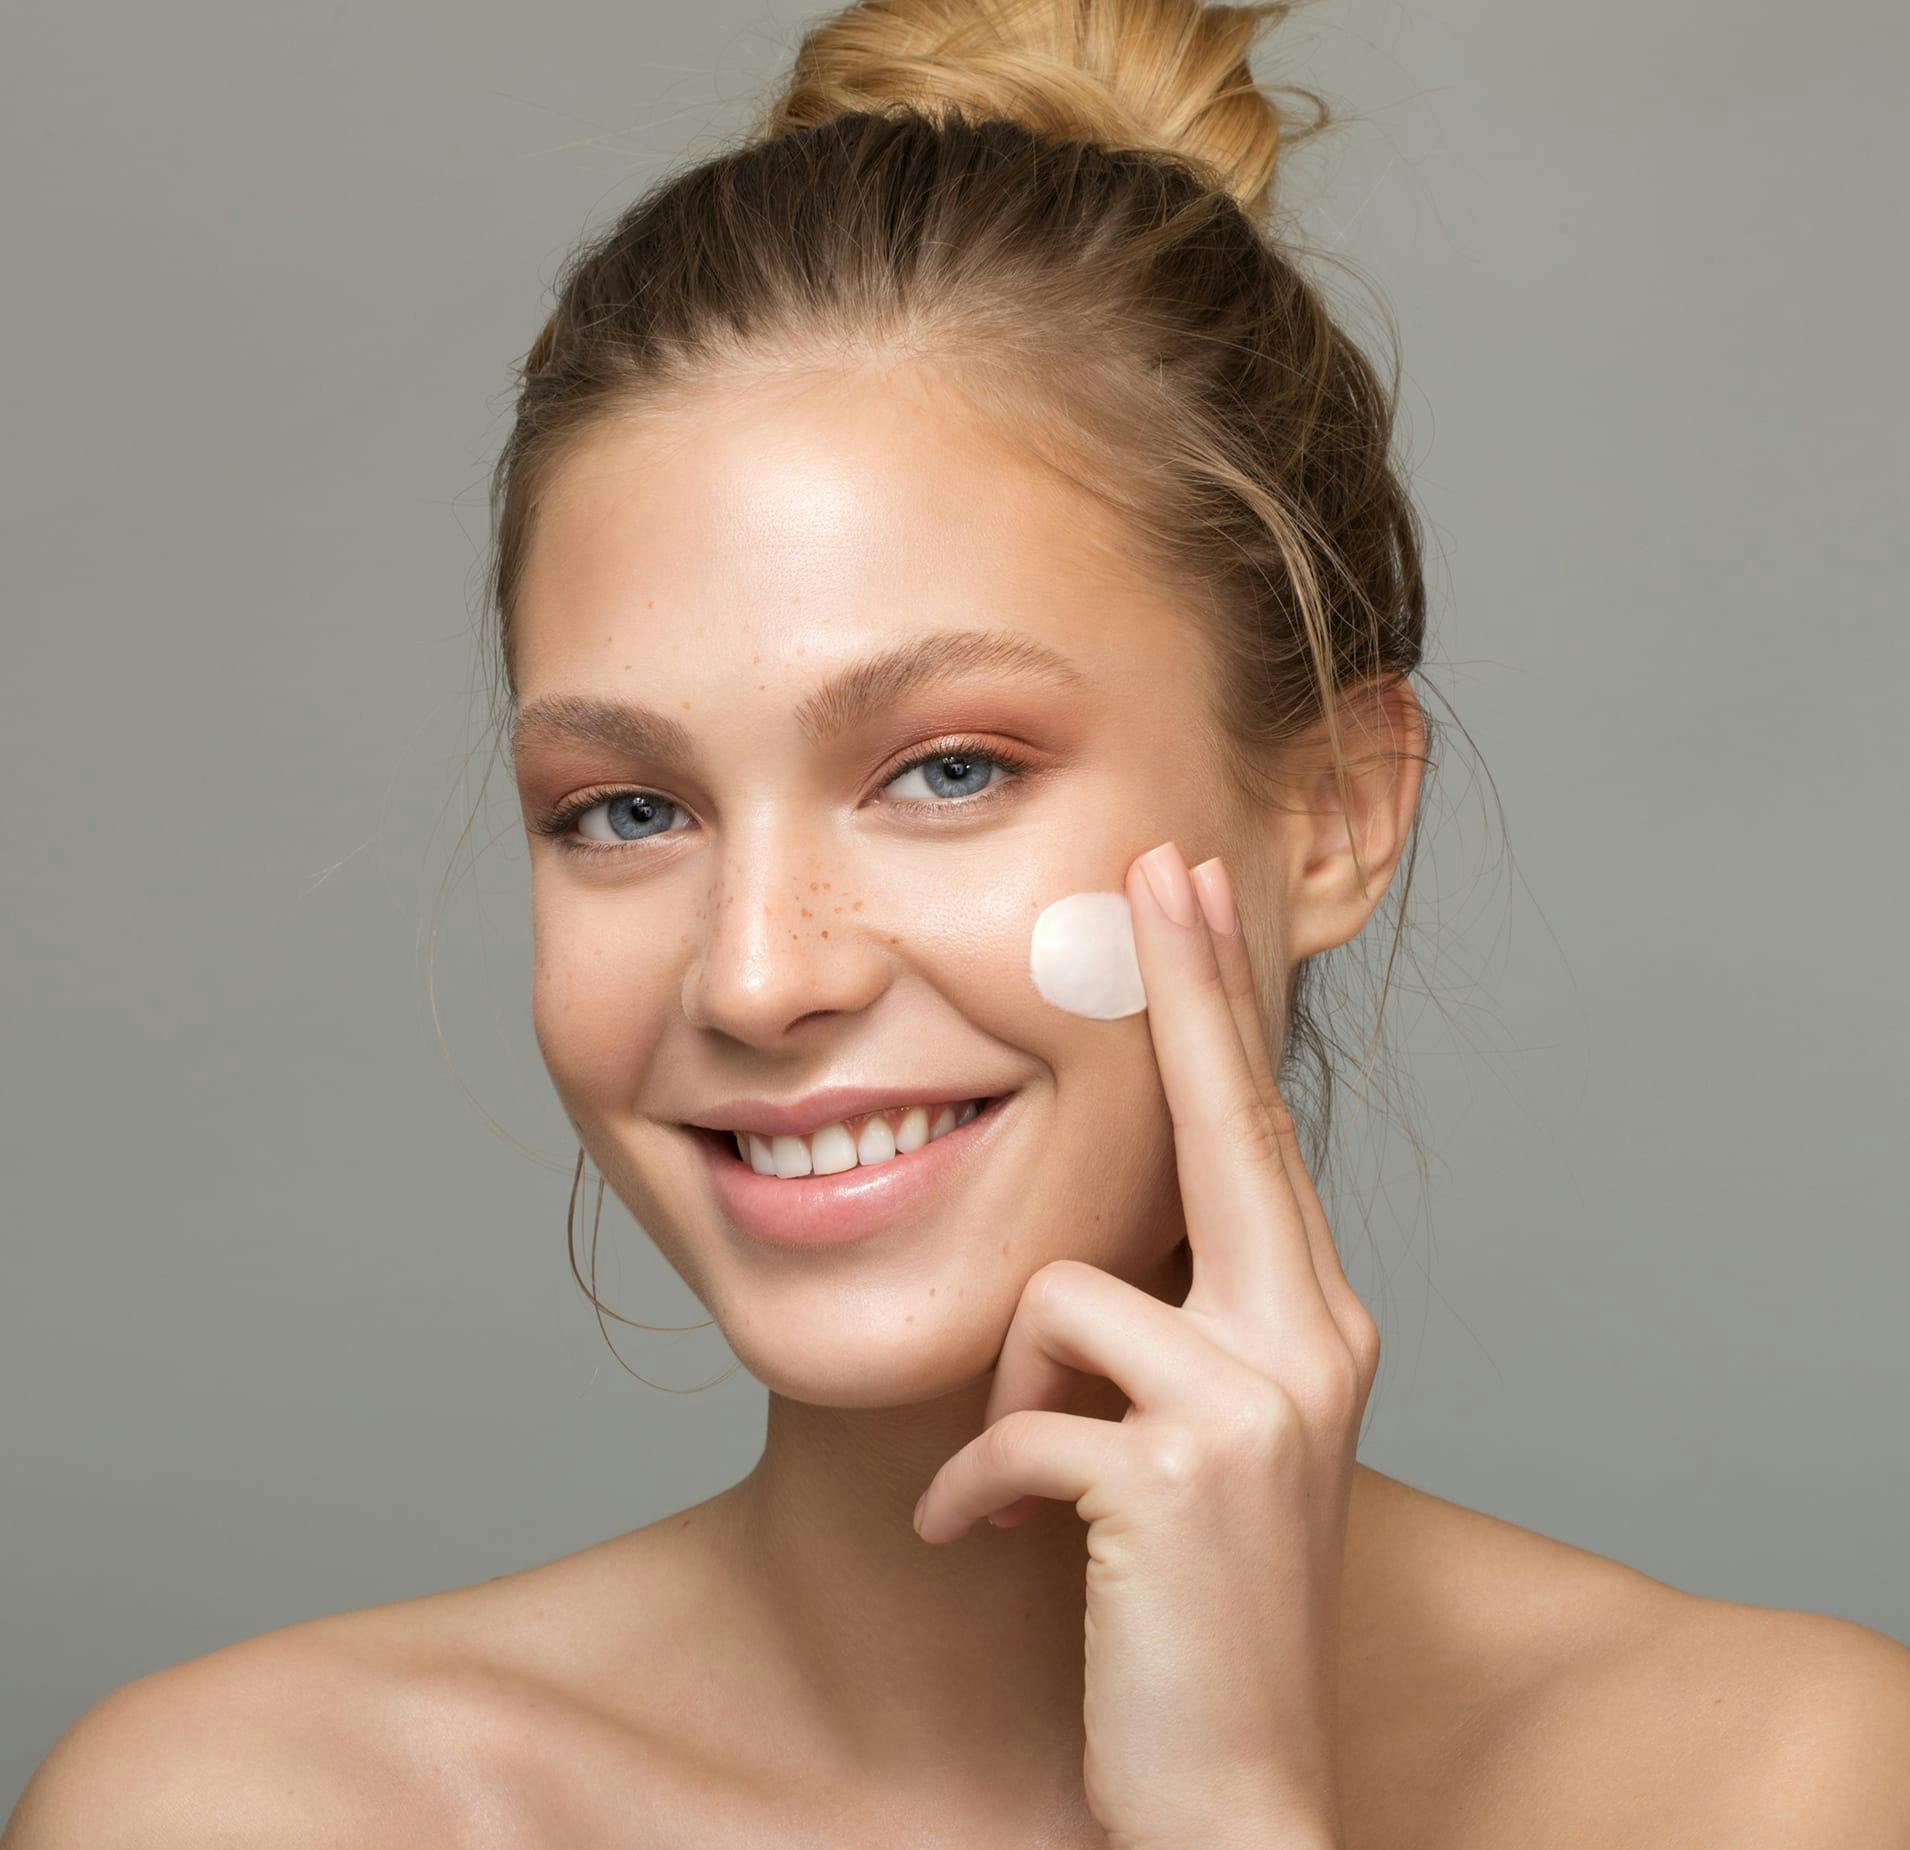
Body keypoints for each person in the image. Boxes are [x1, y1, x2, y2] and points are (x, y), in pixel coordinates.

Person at [10, 1, 1908, 1845]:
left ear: (1332, 809)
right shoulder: (251, 1812)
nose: (758, 972)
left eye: (948, 770)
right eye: (629, 808)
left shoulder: (1772, 1783)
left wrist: (1232, 1812)